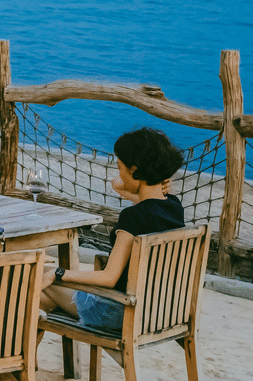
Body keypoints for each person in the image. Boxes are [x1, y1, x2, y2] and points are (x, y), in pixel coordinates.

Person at [40, 128, 184, 343]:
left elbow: (109, 278)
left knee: (35, 274)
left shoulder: (133, 217)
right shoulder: (173, 206)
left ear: (134, 169)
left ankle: (17, 366)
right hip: (157, 311)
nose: (118, 175)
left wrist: (58, 272)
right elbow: (137, 194)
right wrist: (131, 183)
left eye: (120, 168)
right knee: (39, 300)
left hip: (116, 311)